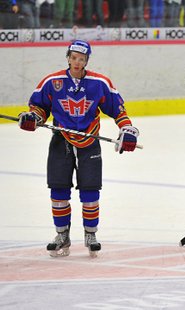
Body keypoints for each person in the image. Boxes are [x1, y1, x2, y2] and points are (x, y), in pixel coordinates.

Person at [17, 40, 139, 258]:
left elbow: (118, 110)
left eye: (81, 59)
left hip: (89, 141)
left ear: (86, 61)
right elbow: (39, 108)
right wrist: (33, 118)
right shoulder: (52, 81)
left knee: (90, 191)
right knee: (58, 191)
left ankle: (90, 234)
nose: (77, 62)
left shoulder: (99, 83)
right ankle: (62, 234)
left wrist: (127, 129)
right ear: (68, 57)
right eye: (73, 57)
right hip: (60, 140)